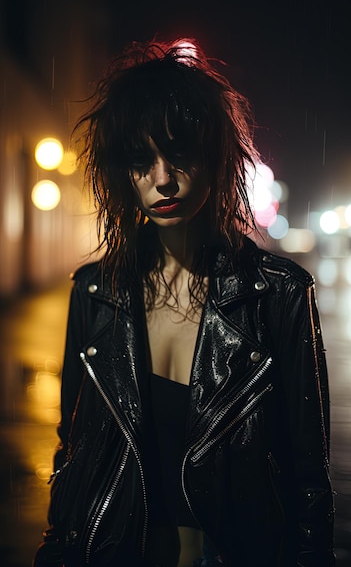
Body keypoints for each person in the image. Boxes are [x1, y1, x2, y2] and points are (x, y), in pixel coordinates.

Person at [33, 37, 335, 567]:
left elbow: (307, 474)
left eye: (178, 153)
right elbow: (74, 453)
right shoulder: (95, 294)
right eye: (139, 160)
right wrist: (56, 550)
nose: (162, 179)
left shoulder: (278, 295)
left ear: (214, 156)